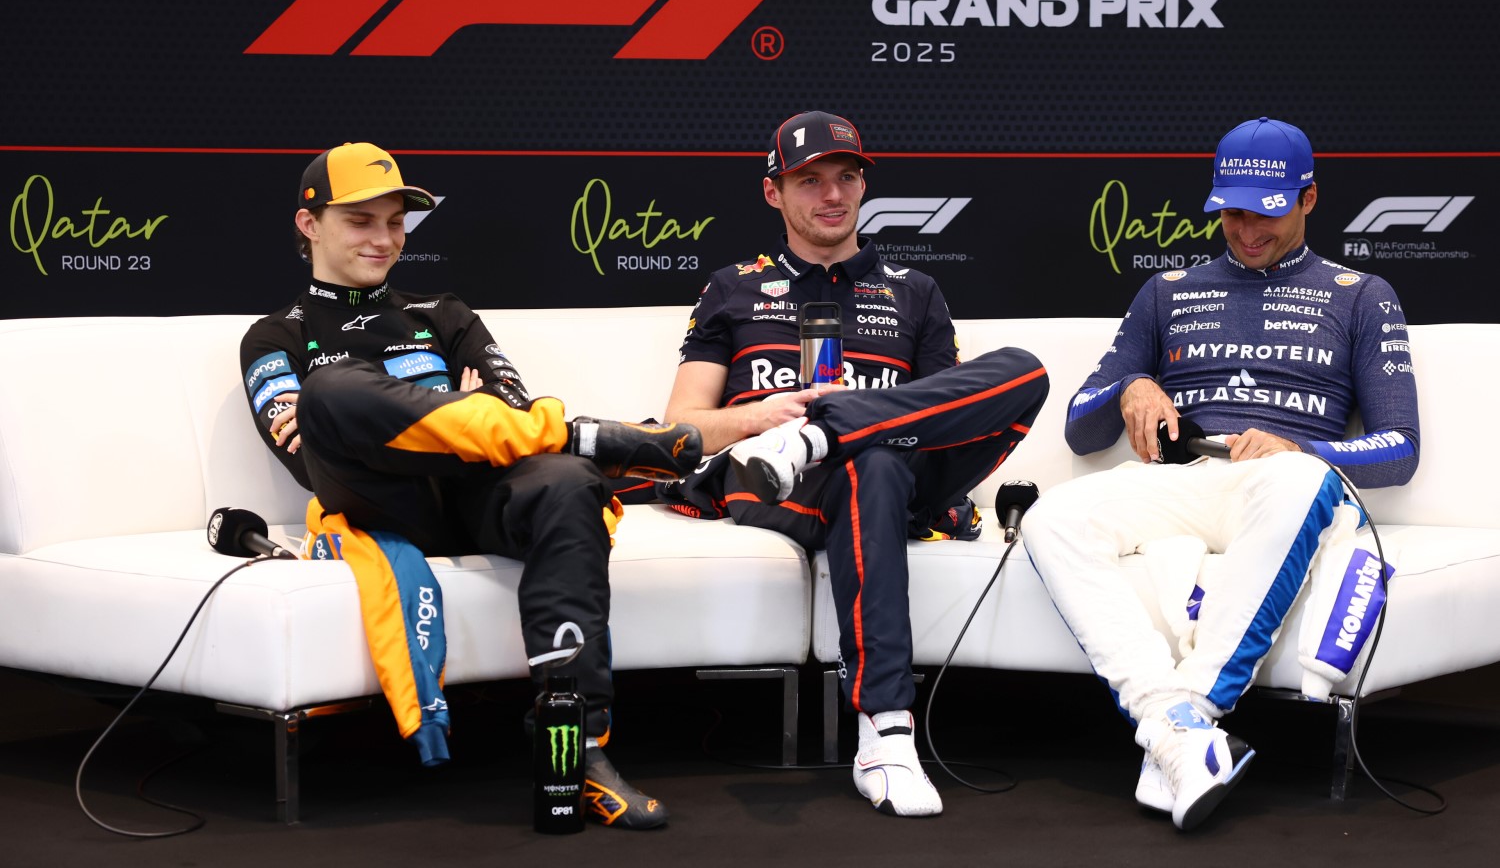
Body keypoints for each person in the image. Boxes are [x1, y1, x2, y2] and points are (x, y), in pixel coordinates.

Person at [239, 141, 704, 830]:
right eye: (361, 221)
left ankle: (579, 746)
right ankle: (583, 432)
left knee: (569, 481)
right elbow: (309, 452)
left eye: (396, 222)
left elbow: (511, 415)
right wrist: (457, 417)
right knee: (330, 395)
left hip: (480, 495)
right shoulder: (276, 336)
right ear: (310, 226)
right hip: (379, 504)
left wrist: (440, 428)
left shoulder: (443, 311)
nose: (385, 238)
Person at [1022, 117, 1420, 830]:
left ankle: (1195, 707)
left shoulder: (1361, 293)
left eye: (1266, 212)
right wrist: (1131, 387)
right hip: (1184, 476)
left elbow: (1398, 448)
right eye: (1232, 212)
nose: (1247, 230)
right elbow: (1081, 428)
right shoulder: (1168, 290)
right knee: (1054, 517)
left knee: (1294, 484)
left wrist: (1305, 451)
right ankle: (1172, 726)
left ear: (1308, 198)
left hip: (1288, 486)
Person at [660, 111, 1050, 817]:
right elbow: (682, 424)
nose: (832, 195)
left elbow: (952, 416)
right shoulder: (734, 287)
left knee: (1024, 372)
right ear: (773, 193)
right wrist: (768, 418)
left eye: (846, 177)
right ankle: (886, 732)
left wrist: (835, 425)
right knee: (870, 463)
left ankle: (827, 434)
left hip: (899, 476)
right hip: (774, 482)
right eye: (809, 181)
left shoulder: (916, 291)